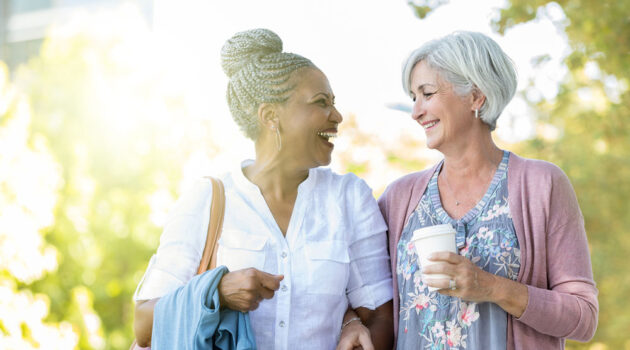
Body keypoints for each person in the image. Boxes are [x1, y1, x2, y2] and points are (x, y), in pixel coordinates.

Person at [133, 28, 394, 350]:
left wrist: (351, 320)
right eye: (321, 102)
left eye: (333, 103)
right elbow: (144, 324)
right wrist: (217, 293)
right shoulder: (208, 199)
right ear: (271, 116)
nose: (337, 116)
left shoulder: (349, 198)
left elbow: (381, 317)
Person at [378, 31, 598, 349]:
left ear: (476, 97)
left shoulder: (541, 185)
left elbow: (584, 316)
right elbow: (361, 295)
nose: (416, 112)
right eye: (414, 98)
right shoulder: (398, 198)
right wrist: (351, 324)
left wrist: (491, 287)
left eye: (427, 93)